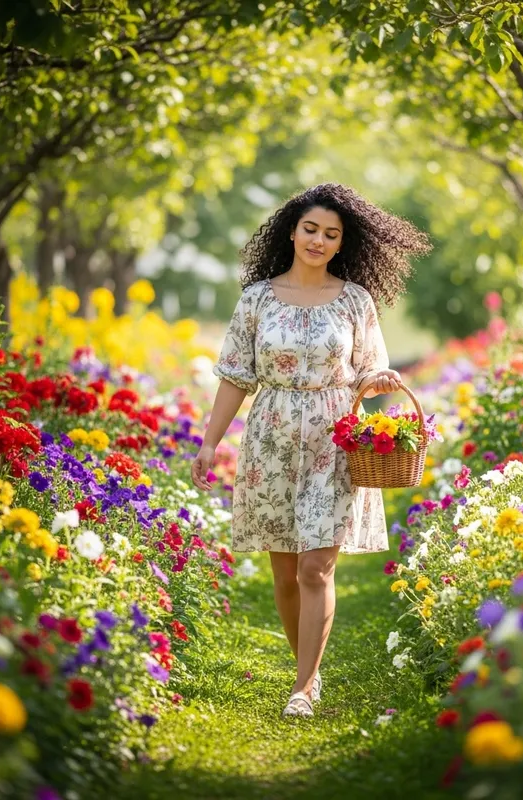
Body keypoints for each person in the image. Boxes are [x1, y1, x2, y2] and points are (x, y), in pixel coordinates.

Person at [191, 183, 430, 718]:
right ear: (291, 231)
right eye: (310, 230)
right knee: (285, 573)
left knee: (316, 566)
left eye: (331, 234)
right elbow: (235, 377)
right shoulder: (256, 299)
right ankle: (310, 667)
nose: (319, 240)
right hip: (271, 436)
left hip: (334, 438)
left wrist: (380, 378)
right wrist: (210, 443)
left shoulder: (354, 301)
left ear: (343, 243)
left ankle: (302, 687)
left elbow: (371, 371)